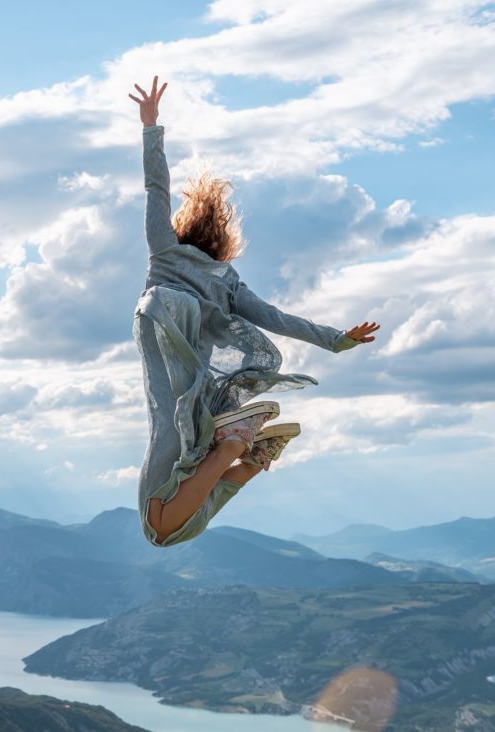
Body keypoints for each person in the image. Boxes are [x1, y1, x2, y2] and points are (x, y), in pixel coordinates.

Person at [129, 76, 380, 548]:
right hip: (184, 337)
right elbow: (273, 316)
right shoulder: (226, 278)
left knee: (177, 431)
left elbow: (155, 190)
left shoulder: (165, 252)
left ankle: (238, 445)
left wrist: (151, 128)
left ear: (185, 229)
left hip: (165, 317)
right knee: (173, 469)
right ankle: (239, 445)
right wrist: (335, 340)